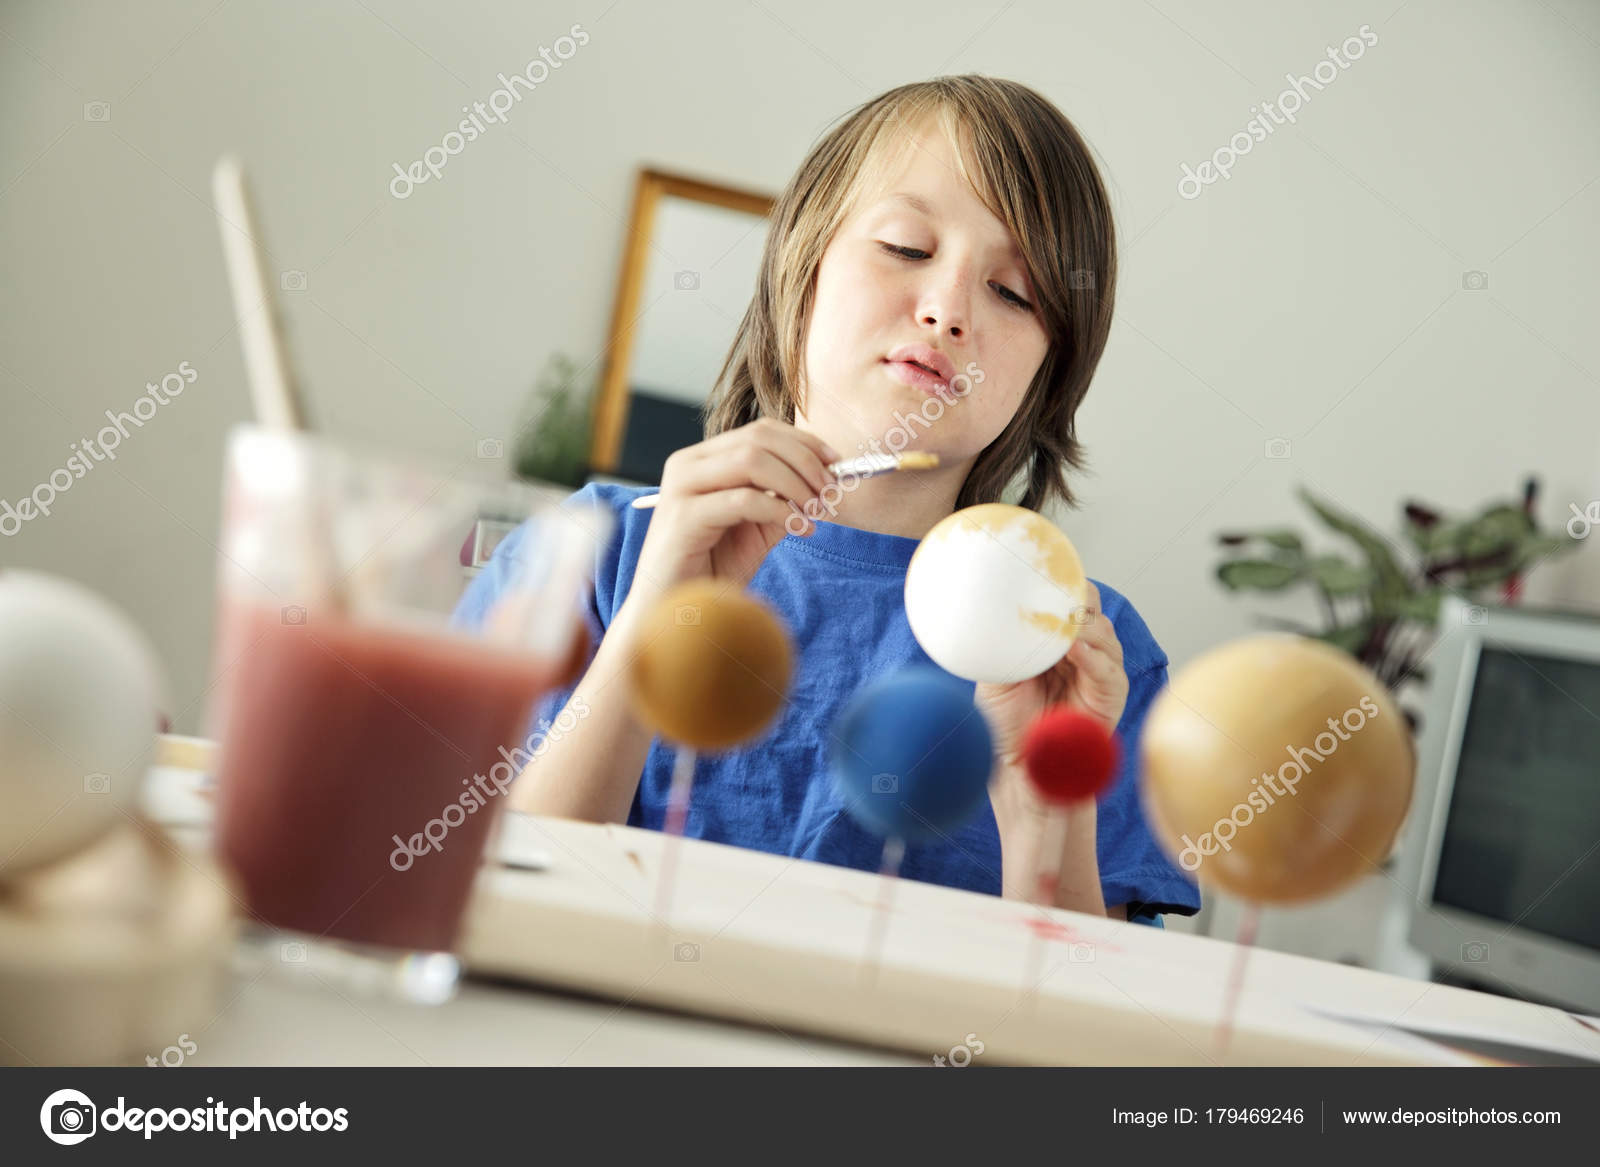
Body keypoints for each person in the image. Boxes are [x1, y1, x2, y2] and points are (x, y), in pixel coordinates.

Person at [454, 75, 1199, 926]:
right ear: (802, 265)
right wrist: (647, 628)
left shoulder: (1087, 657)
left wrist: (1045, 815)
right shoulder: (584, 551)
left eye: (1014, 292)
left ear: (1049, 373)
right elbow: (465, 900)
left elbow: (1092, 1003)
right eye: (907, 248)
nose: (947, 310)